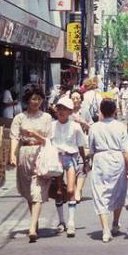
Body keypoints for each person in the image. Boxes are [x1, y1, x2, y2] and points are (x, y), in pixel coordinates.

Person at [8, 84, 52, 243]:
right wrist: (13, 155)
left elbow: (48, 139)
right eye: (34, 98)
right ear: (27, 100)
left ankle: (32, 228)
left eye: (39, 99)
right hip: (24, 155)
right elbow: (14, 137)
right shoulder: (19, 118)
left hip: (41, 155)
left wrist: (35, 134)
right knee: (29, 192)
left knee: (37, 191)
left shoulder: (46, 118)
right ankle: (35, 219)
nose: (37, 102)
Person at [88, 99, 128, 243]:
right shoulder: (120, 126)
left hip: (100, 159)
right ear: (115, 111)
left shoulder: (94, 127)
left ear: (101, 111)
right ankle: (115, 222)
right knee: (118, 191)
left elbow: (91, 148)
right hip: (117, 159)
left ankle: (105, 230)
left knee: (100, 193)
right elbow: (125, 150)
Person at [51, 96, 89, 238]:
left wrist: (85, 163)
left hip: (71, 158)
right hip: (55, 159)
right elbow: (47, 144)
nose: (61, 111)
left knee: (71, 190)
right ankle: (61, 222)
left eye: (65, 109)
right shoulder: (52, 125)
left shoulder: (75, 126)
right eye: (59, 108)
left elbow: (80, 146)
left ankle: (71, 222)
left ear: (70, 111)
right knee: (59, 192)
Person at [70, 90, 93, 202]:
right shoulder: (66, 112)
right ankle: (74, 189)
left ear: (81, 99)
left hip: (83, 142)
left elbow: (91, 127)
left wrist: (83, 122)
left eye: (77, 98)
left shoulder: (85, 111)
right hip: (69, 143)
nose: (75, 100)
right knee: (71, 167)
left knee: (82, 166)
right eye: (73, 98)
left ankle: (78, 190)